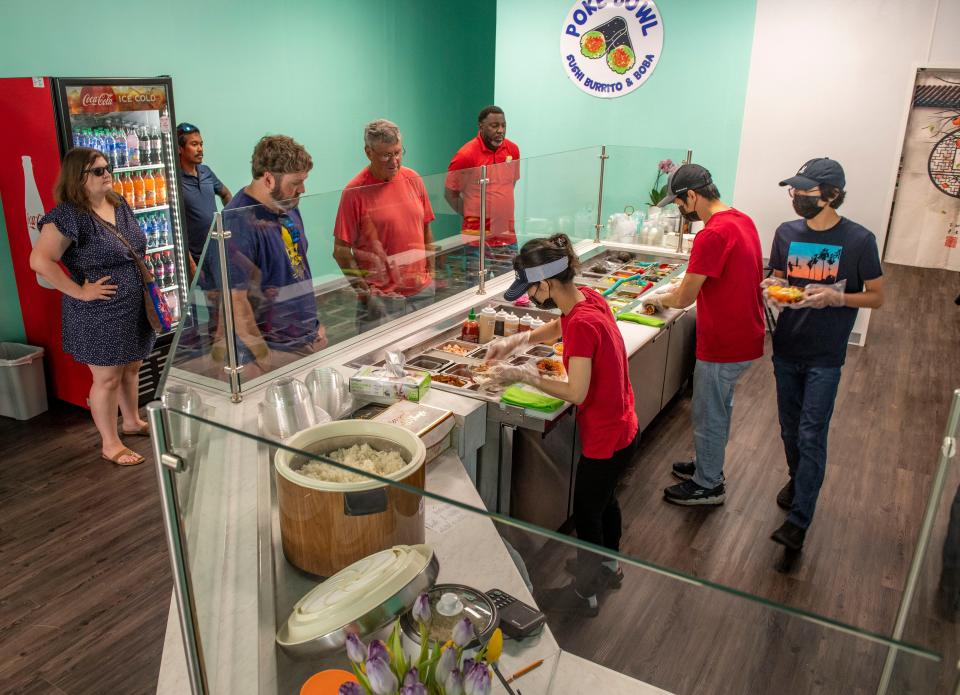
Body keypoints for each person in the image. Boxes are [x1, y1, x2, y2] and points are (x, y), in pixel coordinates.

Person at [487, 234, 639, 617]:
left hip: (605, 435)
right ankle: (610, 566)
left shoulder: (585, 325)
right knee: (605, 502)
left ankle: (583, 594)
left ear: (547, 284)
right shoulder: (587, 299)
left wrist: (523, 375)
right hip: (623, 424)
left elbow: (576, 391)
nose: (530, 296)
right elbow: (559, 328)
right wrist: (516, 341)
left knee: (588, 512)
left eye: (530, 289)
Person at [763, 158, 884, 550]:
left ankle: (799, 520)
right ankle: (800, 479)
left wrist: (838, 298)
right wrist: (772, 286)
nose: (797, 198)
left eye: (806, 192)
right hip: (786, 347)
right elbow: (780, 278)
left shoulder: (859, 240)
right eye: (794, 191)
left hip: (825, 356)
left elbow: (878, 296)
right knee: (788, 428)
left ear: (832, 195)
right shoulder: (786, 232)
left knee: (812, 434)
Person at [647, 164, 765, 505]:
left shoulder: (711, 234)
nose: (680, 209)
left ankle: (708, 484)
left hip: (724, 341)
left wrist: (656, 299)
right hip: (745, 334)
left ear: (693, 196)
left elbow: (685, 298)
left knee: (708, 413)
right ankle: (708, 465)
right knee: (720, 408)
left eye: (679, 202)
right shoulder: (740, 219)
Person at [29, 148, 155, 466]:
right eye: (98, 171)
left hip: (133, 304)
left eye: (107, 168)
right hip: (100, 311)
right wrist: (80, 292)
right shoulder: (68, 216)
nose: (107, 174)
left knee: (131, 367)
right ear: (78, 178)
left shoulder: (117, 202)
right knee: (107, 378)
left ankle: (131, 421)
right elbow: (39, 260)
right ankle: (110, 443)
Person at [210, 135, 325, 376]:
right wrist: (265, 359)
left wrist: (314, 327)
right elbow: (235, 301)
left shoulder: (289, 207)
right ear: (269, 179)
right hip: (272, 351)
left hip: (305, 339)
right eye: (296, 182)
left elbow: (297, 269)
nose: (303, 190)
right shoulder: (236, 221)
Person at [333, 119, 436, 333]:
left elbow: (425, 229)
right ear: (368, 152)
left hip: (421, 292)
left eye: (398, 152)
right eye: (386, 155)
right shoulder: (354, 192)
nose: (394, 161)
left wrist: (432, 276)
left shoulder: (413, 178)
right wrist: (366, 294)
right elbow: (341, 251)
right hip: (383, 299)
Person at [444, 105, 520, 278]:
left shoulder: (513, 150)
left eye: (503, 125)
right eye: (494, 126)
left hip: (507, 236)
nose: (500, 130)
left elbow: (510, 184)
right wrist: (472, 216)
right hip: (476, 240)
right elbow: (450, 194)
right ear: (481, 127)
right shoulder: (465, 155)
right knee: (476, 292)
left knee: (508, 290)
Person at [177, 122, 232, 264]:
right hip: (195, 259)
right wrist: (190, 263)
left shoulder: (206, 171)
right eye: (194, 144)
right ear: (180, 149)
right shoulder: (175, 180)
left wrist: (230, 221)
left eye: (201, 144)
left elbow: (225, 194)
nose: (200, 149)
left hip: (217, 250)